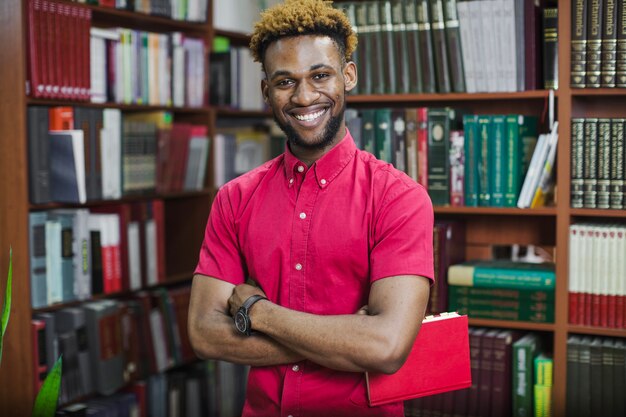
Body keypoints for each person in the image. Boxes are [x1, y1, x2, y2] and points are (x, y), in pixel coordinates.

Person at [188, 1, 434, 415]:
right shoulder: (234, 198)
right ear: (266, 91)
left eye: (320, 75)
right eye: (285, 82)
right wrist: (344, 337)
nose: (304, 97)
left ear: (348, 76)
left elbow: (386, 347)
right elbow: (205, 334)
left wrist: (256, 311)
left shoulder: (399, 198)